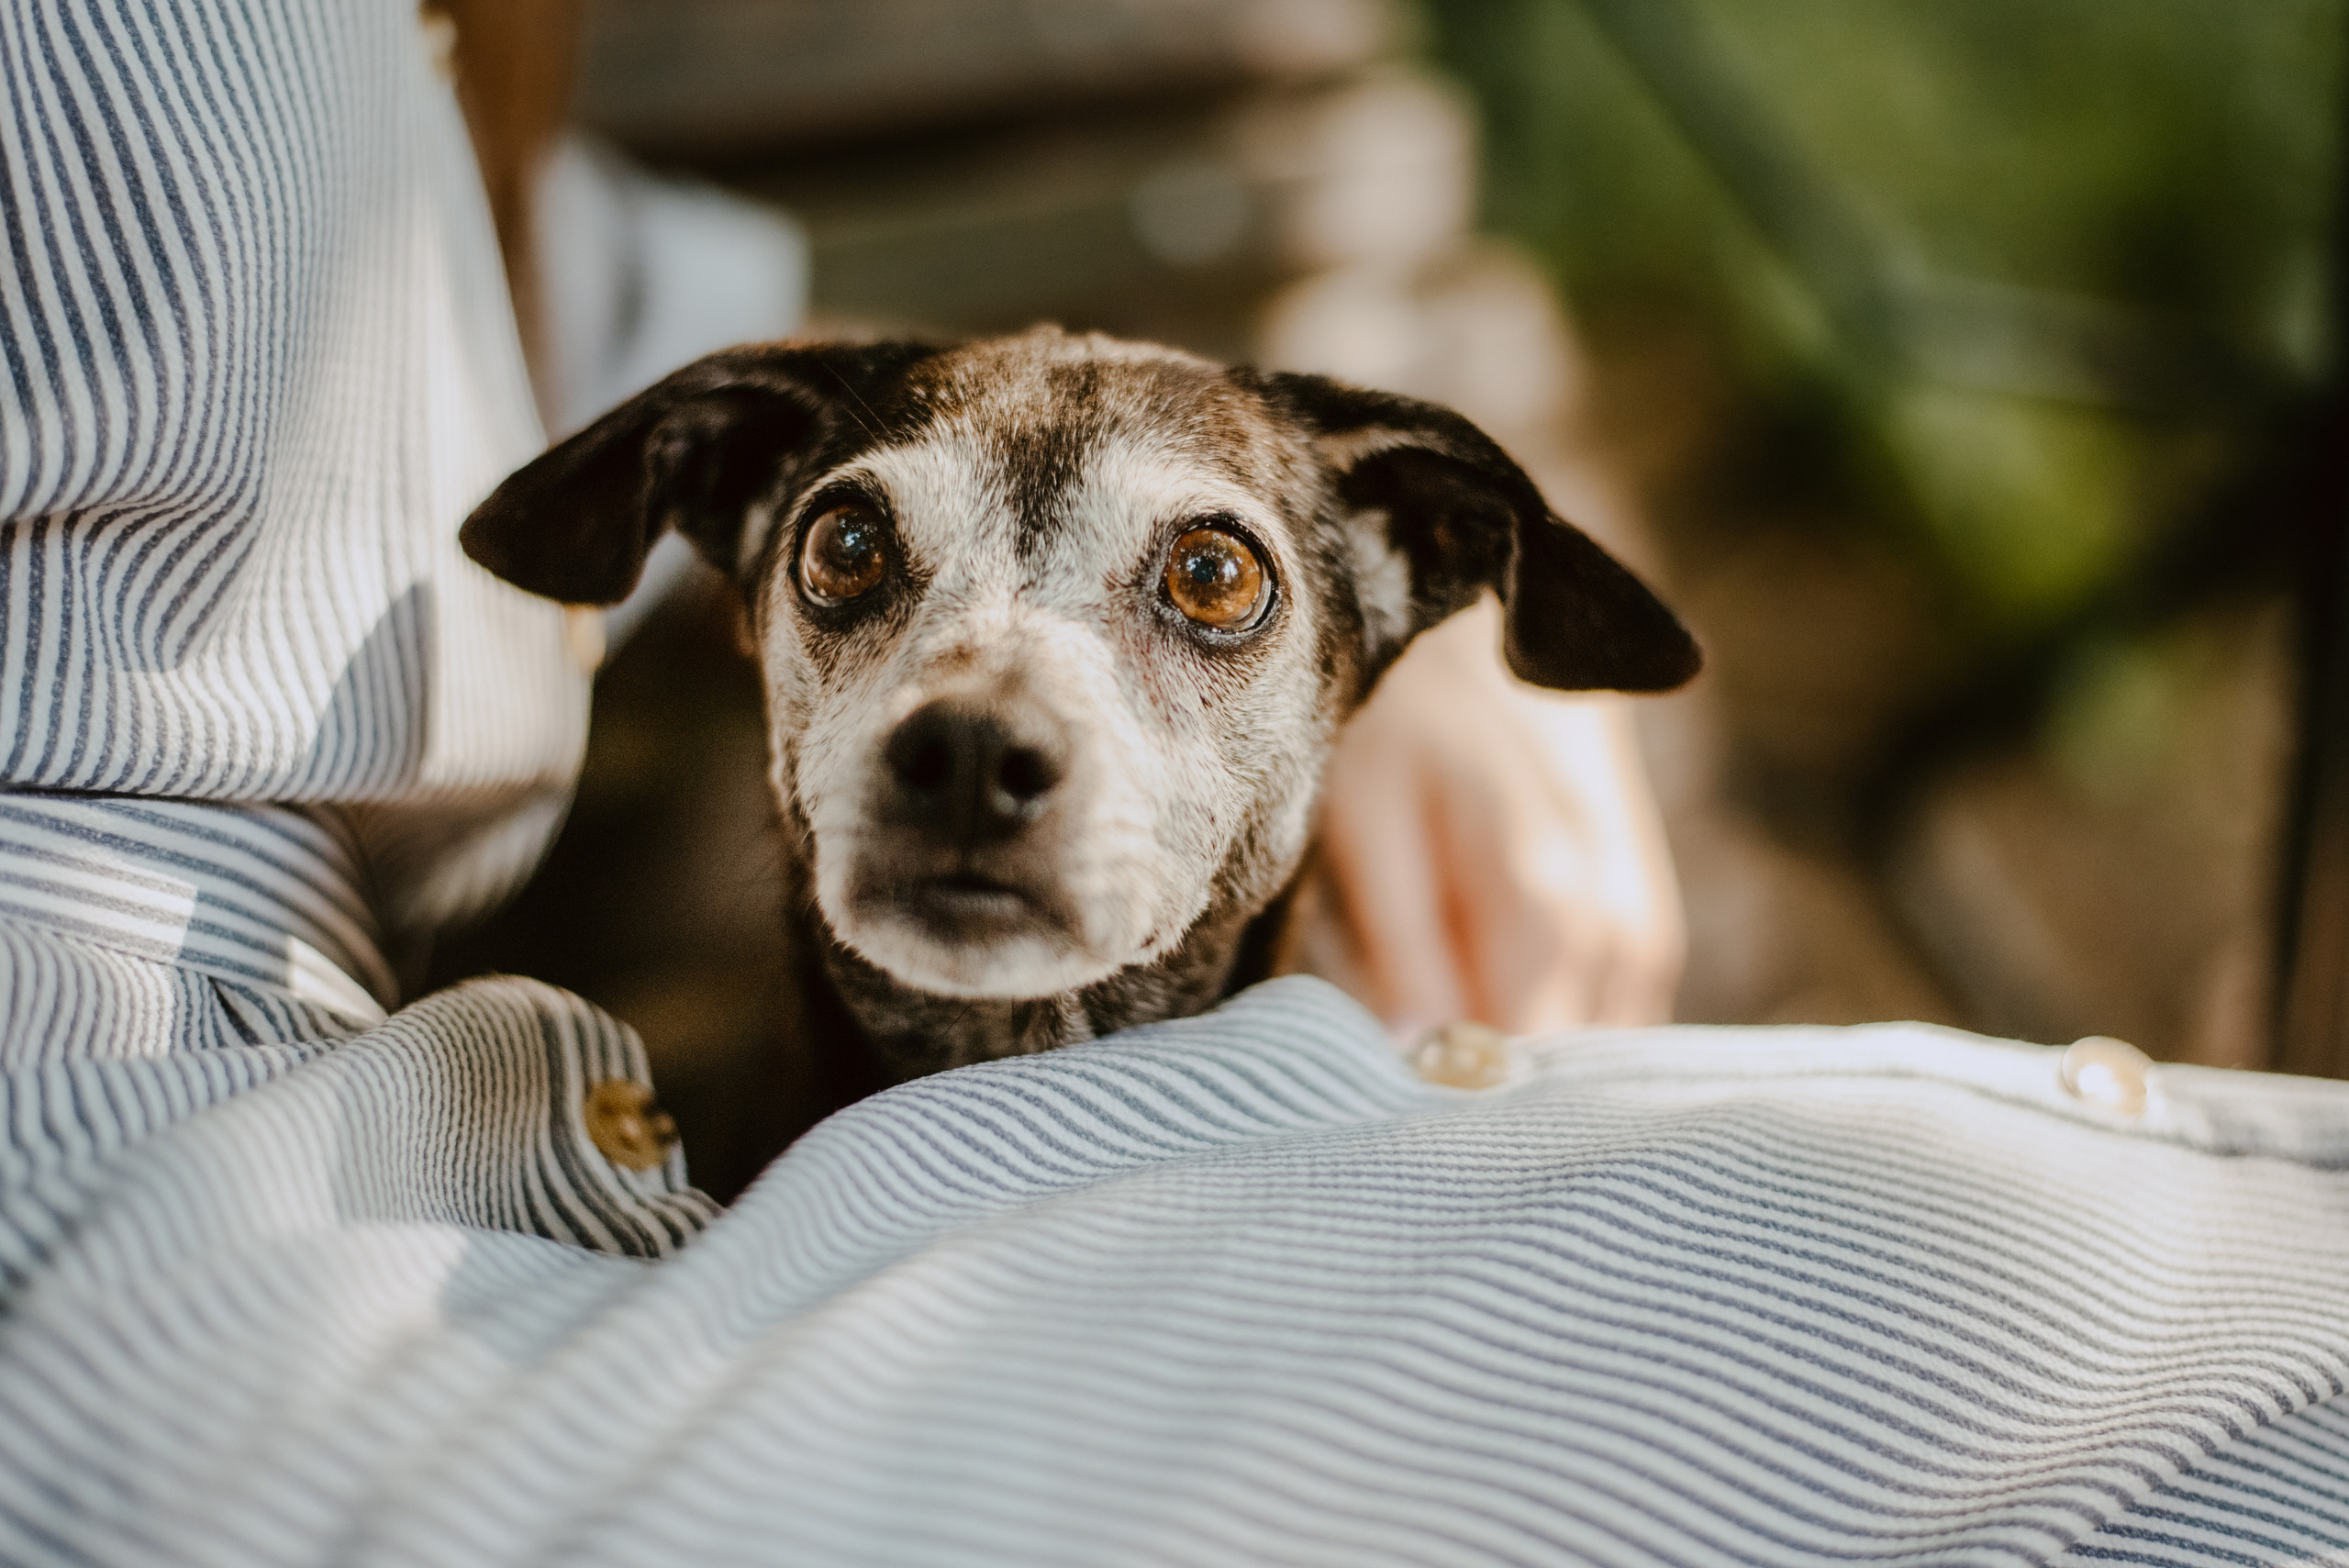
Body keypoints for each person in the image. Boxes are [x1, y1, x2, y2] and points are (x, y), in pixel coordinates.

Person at [4, 4, 2347, 1564]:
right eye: (855, 564)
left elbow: (692, 302)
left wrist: (1397, 614)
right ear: (741, 578)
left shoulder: (454, 140)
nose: (978, 715)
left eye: (1198, 595)